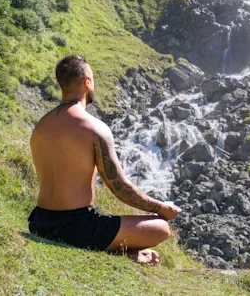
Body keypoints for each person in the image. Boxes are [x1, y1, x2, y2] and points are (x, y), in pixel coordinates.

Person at [28, 55, 181, 266]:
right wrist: (160, 208)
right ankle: (120, 253)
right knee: (161, 227)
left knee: (102, 223)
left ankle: (118, 250)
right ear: (87, 81)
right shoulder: (94, 128)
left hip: (39, 222)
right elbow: (118, 186)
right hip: (77, 226)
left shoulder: (41, 126)